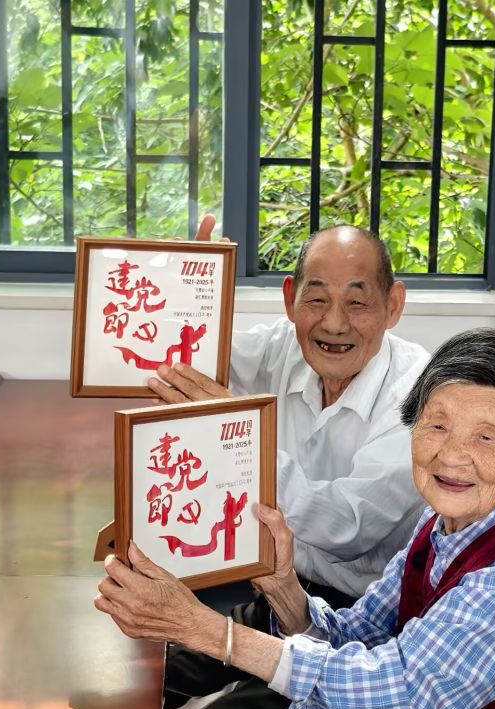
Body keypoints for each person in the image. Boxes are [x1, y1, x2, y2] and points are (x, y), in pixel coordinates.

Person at [95, 328, 495, 709]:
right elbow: (362, 631)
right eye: (436, 426)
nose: (451, 456)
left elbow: (397, 692)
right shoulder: (452, 517)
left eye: (485, 437)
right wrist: (282, 585)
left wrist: (205, 629)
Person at [150, 218, 430, 605]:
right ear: (289, 299)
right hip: (263, 574)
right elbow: (184, 363)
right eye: (316, 299)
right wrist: (183, 295)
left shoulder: (419, 393)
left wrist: (237, 437)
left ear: (392, 305)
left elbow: (348, 527)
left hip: (362, 609)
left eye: (357, 302)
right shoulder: (282, 346)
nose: (334, 324)